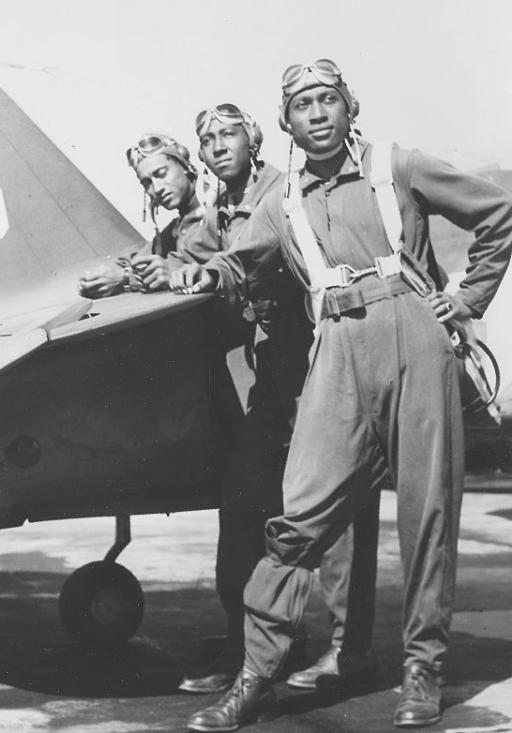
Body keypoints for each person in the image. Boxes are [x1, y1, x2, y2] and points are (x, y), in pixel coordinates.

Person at [178, 60, 512, 731]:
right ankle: (256, 675)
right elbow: (235, 262)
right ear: (287, 123)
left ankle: (423, 669)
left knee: (427, 515)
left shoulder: (397, 165)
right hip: (335, 349)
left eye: (328, 99)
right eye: (303, 104)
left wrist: (467, 299)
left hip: (414, 336)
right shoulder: (282, 203)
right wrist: (179, 271)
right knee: (298, 515)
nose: (318, 113)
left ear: (348, 106)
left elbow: (498, 211)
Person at [172, 104, 381, 696]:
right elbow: (197, 263)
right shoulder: (218, 213)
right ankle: (252, 644)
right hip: (267, 383)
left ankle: (350, 650)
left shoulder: (282, 191)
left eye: (228, 134)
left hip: (320, 366)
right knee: (243, 508)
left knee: (339, 513)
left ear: (254, 138)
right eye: (206, 137)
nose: (216, 146)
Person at [77, 133, 206, 297]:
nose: (157, 188)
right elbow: (139, 258)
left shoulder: (217, 206)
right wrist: (106, 275)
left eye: (161, 173)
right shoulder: (178, 227)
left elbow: (197, 259)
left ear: (185, 166)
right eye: (147, 182)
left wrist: (125, 278)